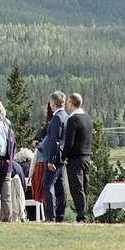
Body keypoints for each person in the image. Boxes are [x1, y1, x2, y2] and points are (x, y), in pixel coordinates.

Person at [61, 92, 94, 223]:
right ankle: (84, 213)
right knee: (85, 188)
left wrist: (64, 156)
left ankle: (81, 217)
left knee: (76, 188)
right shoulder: (87, 118)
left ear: (70, 103)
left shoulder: (73, 119)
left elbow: (69, 142)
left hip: (75, 158)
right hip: (87, 157)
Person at [36, 93, 67, 222]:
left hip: (54, 157)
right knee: (60, 187)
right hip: (61, 157)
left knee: (47, 186)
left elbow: (55, 140)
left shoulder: (56, 118)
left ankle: (50, 216)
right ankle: (60, 215)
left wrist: (50, 159)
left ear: (52, 104)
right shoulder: (66, 116)